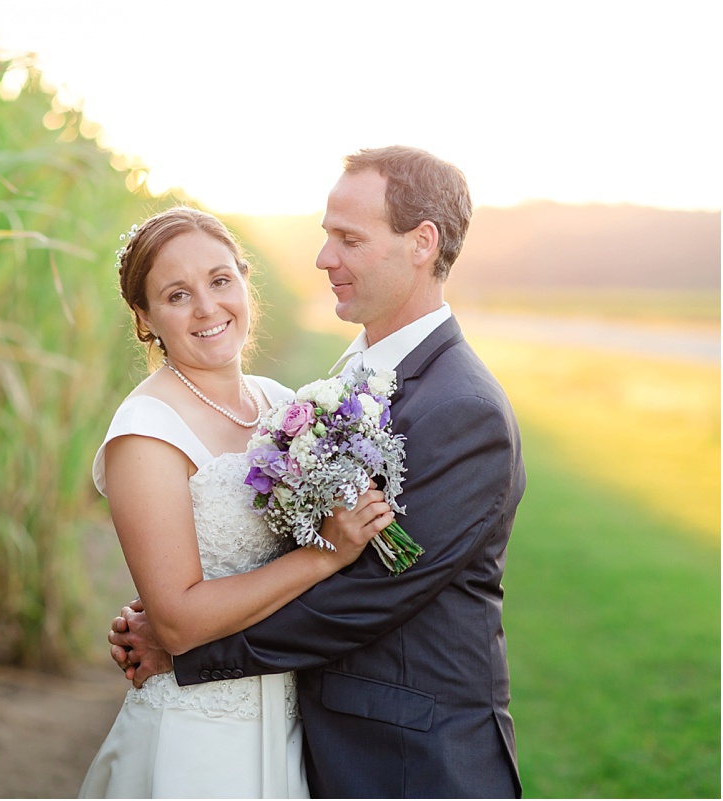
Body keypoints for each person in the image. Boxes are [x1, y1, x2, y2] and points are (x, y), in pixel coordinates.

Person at [109, 146, 527, 798]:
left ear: (422, 243)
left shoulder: (462, 408)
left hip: (412, 759)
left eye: (348, 238)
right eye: (325, 233)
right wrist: (176, 602)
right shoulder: (332, 384)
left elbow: (370, 591)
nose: (323, 257)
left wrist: (184, 646)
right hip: (297, 740)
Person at [79, 206, 387, 798]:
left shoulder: (283, 405)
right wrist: (326, 555)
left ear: (245, 281)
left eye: (220, 280)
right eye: (176, 294)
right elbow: (174, 621)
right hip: (199, 740)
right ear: (145, 319)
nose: (207, 308)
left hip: (291, 722)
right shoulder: (145, 433)